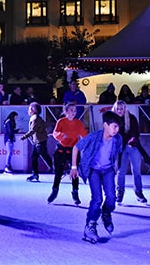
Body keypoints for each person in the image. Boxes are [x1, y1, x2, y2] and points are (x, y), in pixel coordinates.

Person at [70, 111, 122, 243]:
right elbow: (76, 148)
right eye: (114, 126)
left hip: (108, 170)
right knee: (97, 199)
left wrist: (115, 166)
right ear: (105, 125)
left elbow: (117, 153)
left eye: (118, 127)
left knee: (111, 197)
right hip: (94, 170)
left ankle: (106, 213)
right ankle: (90, 225)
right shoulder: (93, 137)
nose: (116, 130)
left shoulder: (118, 139)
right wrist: (74, 167)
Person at [47, 103, 88, 205]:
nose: (74, 112)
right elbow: (55, 133)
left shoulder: (78, 123)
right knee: (58, 172)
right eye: (71, 110)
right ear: (66, 112)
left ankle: (75, 192)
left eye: (75, 110)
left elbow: (85, 135)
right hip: (61, 149)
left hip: (73, 150)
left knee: (75, 172)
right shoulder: (61, 122)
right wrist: (61, 135)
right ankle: (55, 190)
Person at [111, 100, 147, 204]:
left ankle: (139, 192)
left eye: (121, 108)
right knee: (121, 171)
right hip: (121, 149)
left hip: (133, 147)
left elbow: (136, 132)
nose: (120, 110)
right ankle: (120, 192)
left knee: (136, 170)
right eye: (118, 108)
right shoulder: (113, 120)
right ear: (115, 109)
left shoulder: (132, 118)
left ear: (125, 108)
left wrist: (132, 140)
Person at [21, 102, 53, 182]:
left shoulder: (35, 119)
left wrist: (24, 137)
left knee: (42, 156)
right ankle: (35, 173)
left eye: (29, 109)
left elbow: (32, 130)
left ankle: (56, 168)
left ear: (32, 110)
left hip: (40, 141)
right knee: (35, 158)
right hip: (38, 141)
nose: (28, 111)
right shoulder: (36, 118)